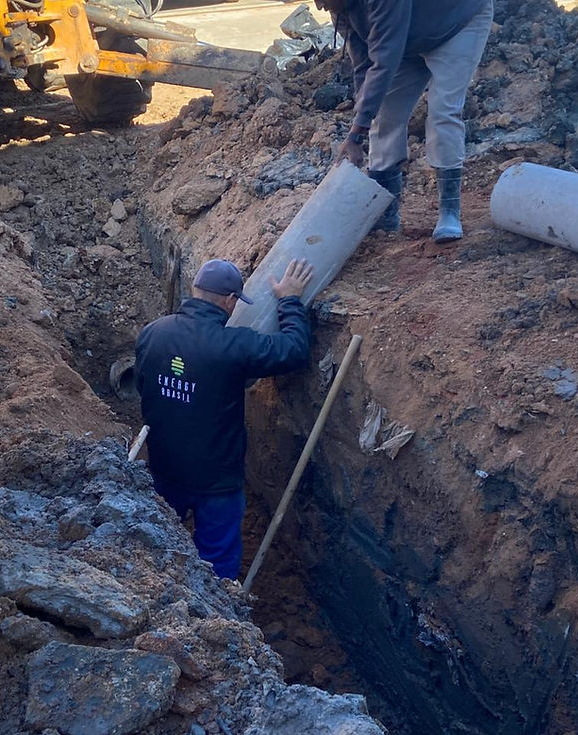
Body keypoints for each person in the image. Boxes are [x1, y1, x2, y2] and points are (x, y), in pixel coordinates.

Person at [134, 257, 314, 579]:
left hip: (163, 468)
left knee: (156, 546)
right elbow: (294, 349)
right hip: (216, 482)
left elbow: (143, 387)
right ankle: (210, 621)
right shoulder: (233, 346)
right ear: (231, 302)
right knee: (216, 564)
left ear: (194, 289)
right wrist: (289, 300)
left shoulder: (152, 334)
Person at [320, 0, 494, 240]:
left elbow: (384, 59)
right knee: (384, 117)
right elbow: (363, 64)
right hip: (406, 41)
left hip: (456, 24)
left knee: (443, 111)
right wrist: (362, 120)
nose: (319, 6)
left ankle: (449, 212)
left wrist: (357, 133)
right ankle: (385, 215)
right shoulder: (340, 7)